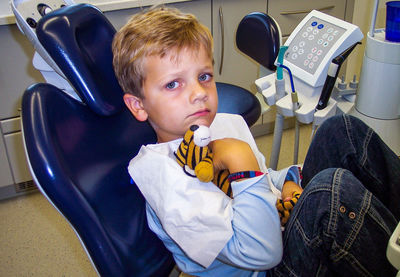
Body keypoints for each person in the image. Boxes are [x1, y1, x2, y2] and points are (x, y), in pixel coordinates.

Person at [112, 6, 400, 276]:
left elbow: (260, 179)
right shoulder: (167, 182)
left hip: (278, 225)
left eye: (204, 76)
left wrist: (286, 180)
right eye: (173, 84)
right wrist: (242, 162)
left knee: (341, 131)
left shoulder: (222, 124)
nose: (198, 92)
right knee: (331, 192)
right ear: (138, 106)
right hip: (261, 267)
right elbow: (263, 253)